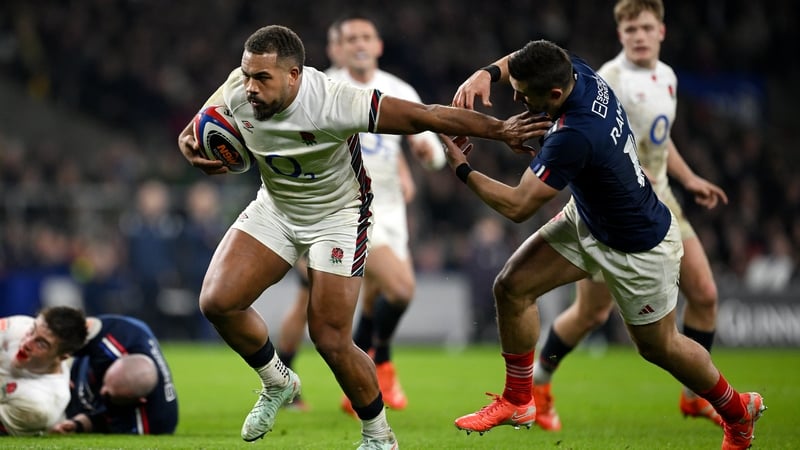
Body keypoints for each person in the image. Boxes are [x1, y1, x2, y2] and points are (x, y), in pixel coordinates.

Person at [176, 24, 547, 448]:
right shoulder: (238, 88)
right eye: (247, 75)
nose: (250, 87)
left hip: (338, 215)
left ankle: (379, 435)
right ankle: (277, 381)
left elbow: (426, 115)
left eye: (263, 78)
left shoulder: (335, 101)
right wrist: (190, 148)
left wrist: (499, 130)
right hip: (276, 207)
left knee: (330, 338)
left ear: (294, 75)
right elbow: (193, 131)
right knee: (217, 301)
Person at [447, 39, 764, 450]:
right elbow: (528, 56)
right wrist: (485, 73)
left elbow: (517, 205)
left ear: (555, 95)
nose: (516, 97)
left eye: (525, 95)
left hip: (639, 246)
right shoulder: (574, 69)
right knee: (511, 286)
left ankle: (737, 413)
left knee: (659, 347)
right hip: (591, 218)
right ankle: (519, 400)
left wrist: (462, 168)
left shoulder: (575, 135)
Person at [528, 0, 730, 431]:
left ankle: (696, 397)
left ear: (662, 31)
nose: (638, 35)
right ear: (620, 35)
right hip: (618, 212)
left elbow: (661, 138)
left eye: (646, 27)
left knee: (706, 295)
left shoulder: (668, 77)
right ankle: (539, 385)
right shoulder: (610, 79)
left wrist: (690, 177)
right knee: (590, 314)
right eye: (630, 29)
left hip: (664, 203)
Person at [50, 314, 178, 435]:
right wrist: (57, 368)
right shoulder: (115, 338)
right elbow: (78, 326)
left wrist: (77, 424)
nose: (103, 390)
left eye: (109, 395)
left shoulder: (156, 422)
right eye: (105, 382)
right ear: (116, 362)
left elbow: (108, 422)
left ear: (139, 400)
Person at [0, 306, 87, 436]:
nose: (26, 343)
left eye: (41, 344)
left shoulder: (40, 405)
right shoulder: (18, 326)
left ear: (62, 357)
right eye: (32, 330)